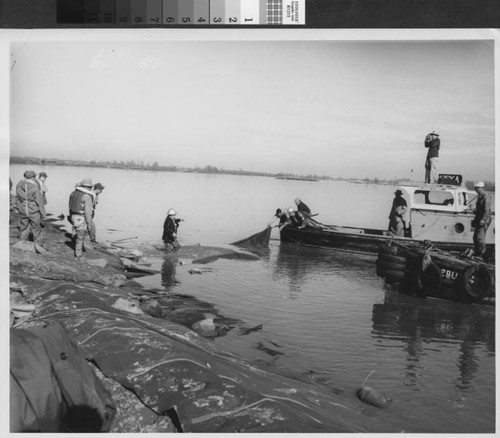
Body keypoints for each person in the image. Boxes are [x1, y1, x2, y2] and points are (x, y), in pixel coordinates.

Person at [15, 170, 47, 252]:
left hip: (23, 209)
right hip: (33, 210)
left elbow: (17, 199)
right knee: (36, 228)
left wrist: (20, 207)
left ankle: (21, 245)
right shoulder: (35, 187)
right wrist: (43, 214)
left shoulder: (19, 185)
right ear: (33, 177)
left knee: (23, 227)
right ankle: (38, 247)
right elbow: (39, 201)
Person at [68, 178, 95, 259]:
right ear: (89, 187)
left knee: (75, 231)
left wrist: (71, 215)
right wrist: (89, 223)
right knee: (80, 237)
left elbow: (69, 205)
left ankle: (75, 246)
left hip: (73, 215)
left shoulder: (73, 193)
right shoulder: (87, 196)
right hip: (81, 217)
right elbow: (88, 212)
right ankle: (78, 255)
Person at [471, 181, 492, 260]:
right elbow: (479, 210)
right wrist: (473, 210)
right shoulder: (480, 196)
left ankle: (482, 254)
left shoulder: (486, 196)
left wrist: (483, 220)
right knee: (475, 237)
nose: (475, 190)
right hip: (479, 219)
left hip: (484, 219)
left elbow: (486, 211)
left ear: (481, 188)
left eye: (476, 188)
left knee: (480, 237)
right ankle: (477, 253)